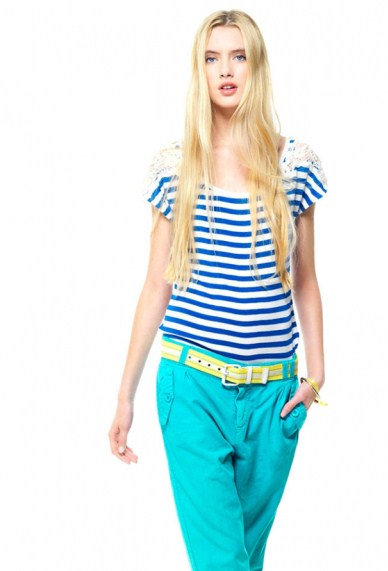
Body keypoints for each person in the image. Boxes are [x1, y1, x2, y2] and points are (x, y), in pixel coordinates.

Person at [108, 8, 329, 571]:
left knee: (245, 561)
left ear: (257, 66)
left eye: (238, 56)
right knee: (223, 563)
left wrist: (317, 375)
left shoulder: (294, 165)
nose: (225, 70)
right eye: (212, 58)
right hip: (193, 390)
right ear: (199, 70)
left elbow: (305, 279)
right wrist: (125, 395)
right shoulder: (175, 167)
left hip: (273, 398)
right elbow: (156, 285)